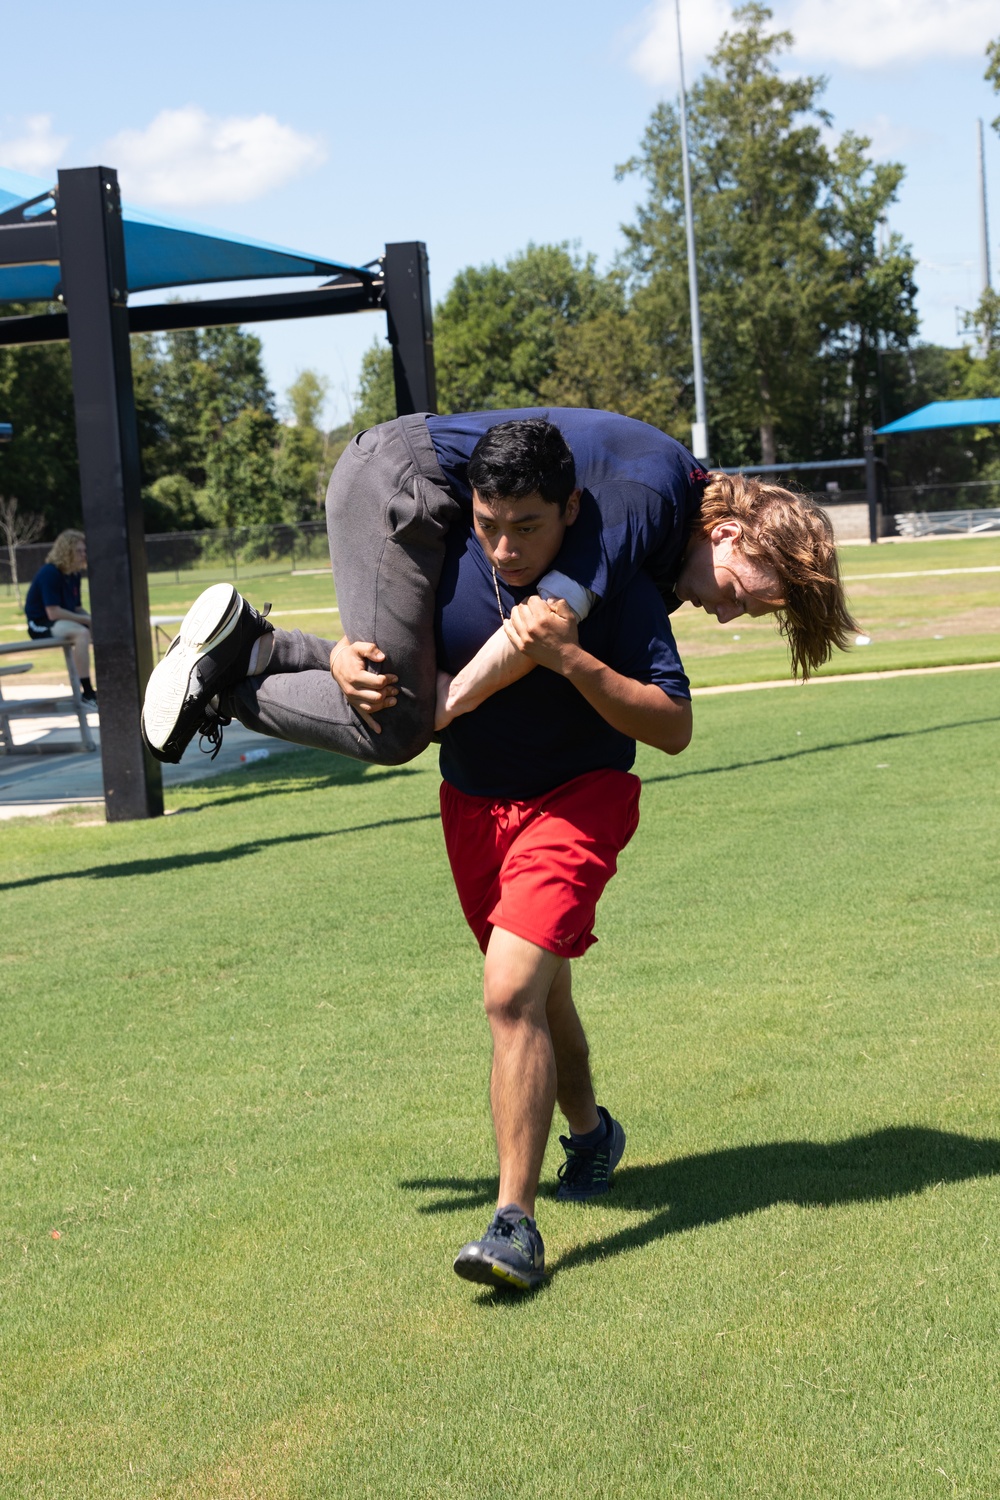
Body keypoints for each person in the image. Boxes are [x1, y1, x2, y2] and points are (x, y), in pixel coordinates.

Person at [140, 408, 857, 768]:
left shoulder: (668, 527)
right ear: (729, 534)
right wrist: (453, 701)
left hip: (424, 492)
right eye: (738, 593)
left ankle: (260, 646)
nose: (727, 614)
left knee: (401, 695)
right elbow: (542, 621)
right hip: (401, 483)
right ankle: (226, 684)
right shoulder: (653, 498)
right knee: (397, 724)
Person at [429, 420, 693, 1289]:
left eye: (529, 526)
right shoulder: (442, 561)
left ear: (570, 508)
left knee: (509, 995)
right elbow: (395, 658)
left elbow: (674, 727)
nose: (505, 548)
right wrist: (359, 660)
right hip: (471, 806)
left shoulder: (614, 581)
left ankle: (514, 1226)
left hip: (579, 804)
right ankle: (591, 1132)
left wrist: (573, 660)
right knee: (542, 995)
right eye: (488, 524)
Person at [24, 530, 97, 706]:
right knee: (81, 633)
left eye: (84, 551)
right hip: (41, 624)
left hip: (61, 621)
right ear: (67, 551)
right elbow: (53, 612)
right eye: (79, 551)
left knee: (93, 630)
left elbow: (77, 608)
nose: (83, 555)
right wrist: (87, 621)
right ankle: (87, 692)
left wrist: (94, 620)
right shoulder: (50, 572)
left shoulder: (74, 574)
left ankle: (106, 682)